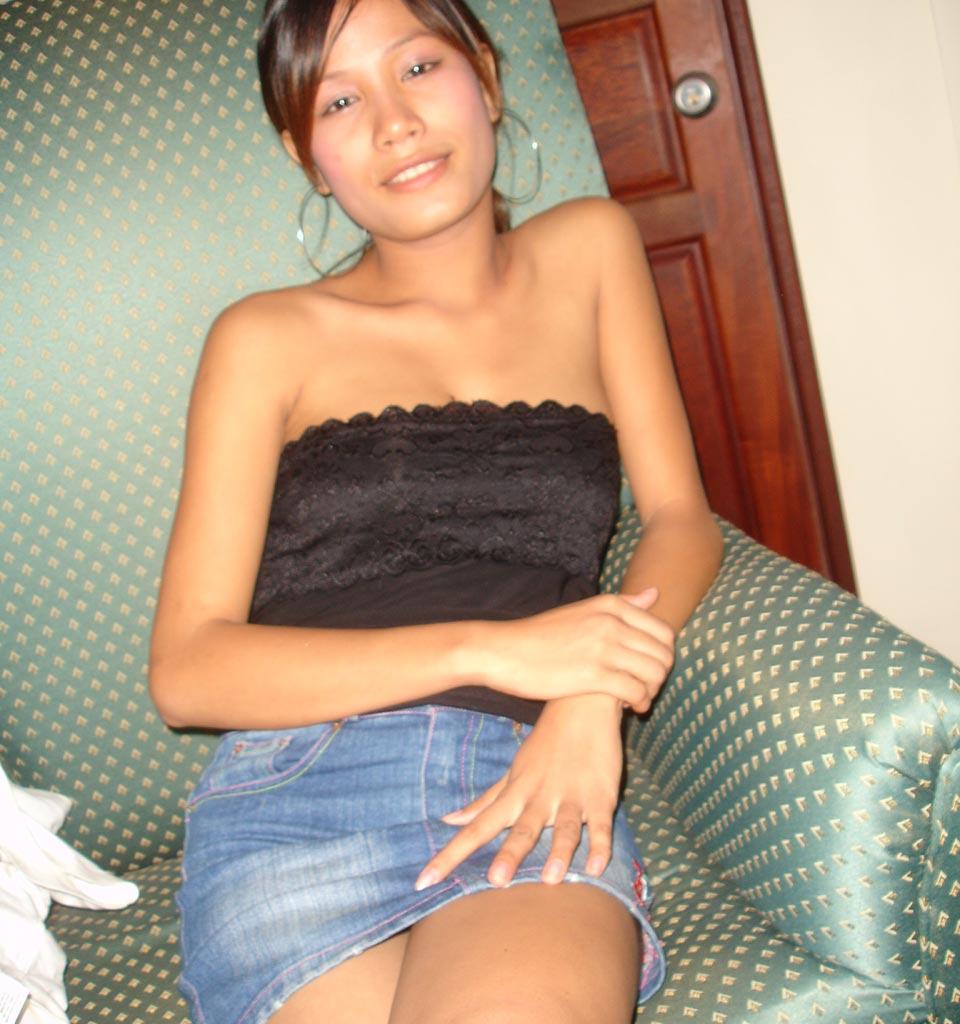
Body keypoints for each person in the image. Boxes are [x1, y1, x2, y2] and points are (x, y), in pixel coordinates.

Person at [148, 0, 723, 1021]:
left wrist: (590, 695)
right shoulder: (264, 338)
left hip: (527, 768)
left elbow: (682, 519)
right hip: (296, 796)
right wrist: (497, 649)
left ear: (487, 77)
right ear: (304, 154)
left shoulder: (590, 250)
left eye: (418, 67)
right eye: (339, 101)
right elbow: (188, 673)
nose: (395, 122)